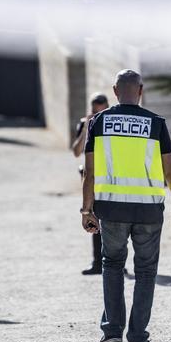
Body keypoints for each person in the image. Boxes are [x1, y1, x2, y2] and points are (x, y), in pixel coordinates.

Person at [80, 69, 171, 342]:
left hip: (112, 209)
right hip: (149, 212)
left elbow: (89, 172)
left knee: (112, 265)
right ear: (140, 90)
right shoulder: (155, 123)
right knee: (146, 271)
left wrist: (86, 209)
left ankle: (112, 331)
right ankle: (139, 337)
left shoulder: (100, 122)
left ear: (115, 91)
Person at [72, 92, 109, 275]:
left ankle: (115, 263)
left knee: (111, 223)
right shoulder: (85, 123)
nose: (99, 115)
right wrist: (87, 127)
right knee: (94, 221)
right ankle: (97, 263)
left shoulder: (112, 125)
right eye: (96, 112)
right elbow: (76, 151)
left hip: (108, 179)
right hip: (91, 180)